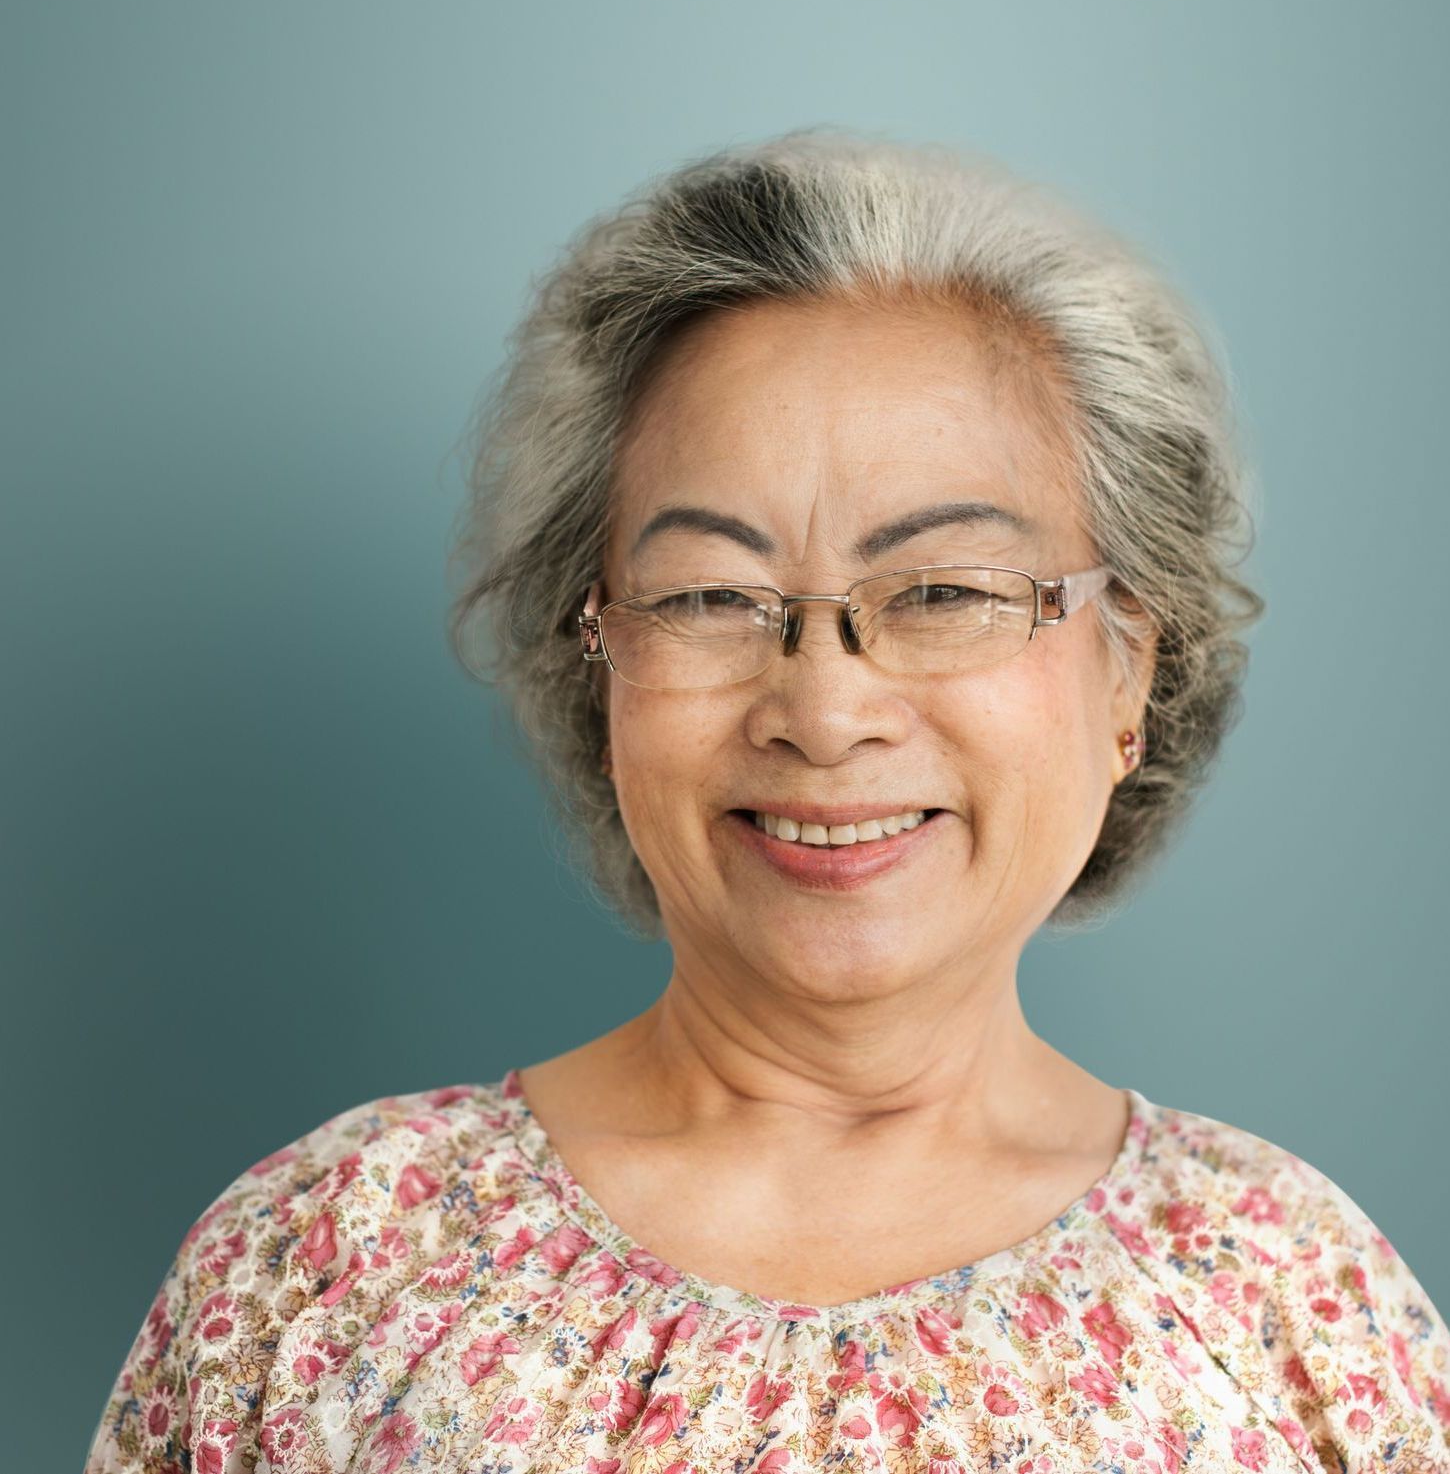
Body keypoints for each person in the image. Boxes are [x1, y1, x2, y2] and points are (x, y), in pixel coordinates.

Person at [85, 130, 1449, 1472]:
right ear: (596, 656)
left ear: (1124, 672)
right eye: (710, 598)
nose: (822, 707)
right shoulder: (326, 1261)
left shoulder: (1289, 1306)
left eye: (941, 591)